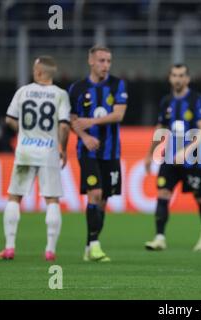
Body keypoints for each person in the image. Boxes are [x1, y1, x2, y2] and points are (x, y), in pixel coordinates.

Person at [0, 56, 70, 261]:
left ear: (38, 72)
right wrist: (62, 148)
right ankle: (50, 250)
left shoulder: (23, 91)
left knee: (14, 197)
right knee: (52, 200)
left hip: (25, 151)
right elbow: (64, 125)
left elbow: (9, 119)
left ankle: (10, 247)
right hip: (48, 152)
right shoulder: (60, 94)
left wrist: (23, 132)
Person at [144, 63, 201, 251]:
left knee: (200, 197)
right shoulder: (166, 101)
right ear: (170, 78)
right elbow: (161, 129)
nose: (178, 78)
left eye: (181, 75)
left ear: (187, 79)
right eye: (174, 75)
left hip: (193, 160)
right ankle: (159, 237)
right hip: (170, 159)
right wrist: (150, 154)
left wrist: (187, 150)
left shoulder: (196, 100)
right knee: (162, 194)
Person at [69, 46, 128, 262]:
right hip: (87, 152)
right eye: (101, 60)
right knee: (94, 194)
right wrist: (84, 137)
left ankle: (89, 245)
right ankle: (94, 245)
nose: (106, 65)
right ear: (91, 61)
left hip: (111, 152)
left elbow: (118, 115)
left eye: (108, 61)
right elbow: (72, 120)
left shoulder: (117, 84)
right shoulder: (77, 88)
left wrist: (91, 122)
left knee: (103, 201)